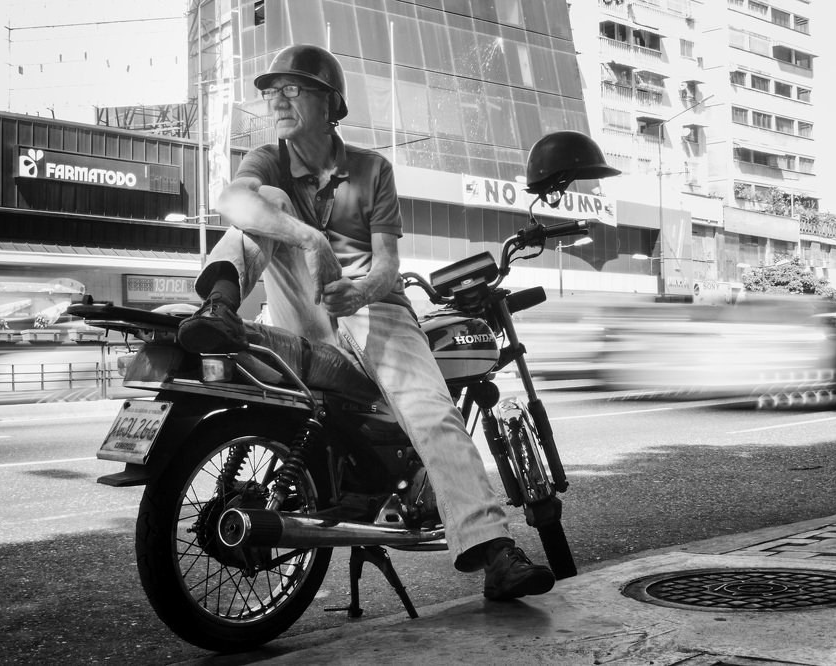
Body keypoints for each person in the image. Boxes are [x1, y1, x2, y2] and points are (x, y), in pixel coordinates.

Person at [176, 44, 555, 602]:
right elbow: (233, 203)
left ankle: (494, 549)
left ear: (331, 104)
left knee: (431, 410)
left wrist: (358, 290)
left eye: (292, 89)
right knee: (262, 201)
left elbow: (387, 268)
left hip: (376, 310)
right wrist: (310, 239)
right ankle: (219, 306)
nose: (276, 100)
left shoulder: (374, 169)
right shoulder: (267, 160)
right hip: (303, 313)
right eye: (271, 91)